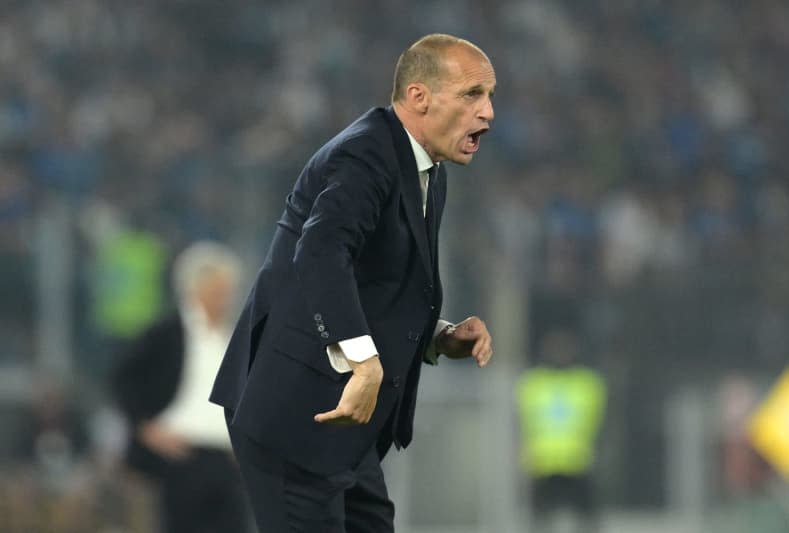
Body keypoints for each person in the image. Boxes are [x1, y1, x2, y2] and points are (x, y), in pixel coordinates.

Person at [210, 33, 495, 532]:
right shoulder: (367, 154)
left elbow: (376, 284)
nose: (488, 112)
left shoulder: (425, 168)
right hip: (296, 414)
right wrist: (364, 363)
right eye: (472, 94)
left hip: (342, 427)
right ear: (419, 97)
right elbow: (320, 252)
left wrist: (438, 337)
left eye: (490, 96)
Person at [112, 241, 251, 533]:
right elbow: (122, 378)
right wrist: (145, 427)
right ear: (194, 288)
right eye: (217, 289)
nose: (225, 297)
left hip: (228, 461)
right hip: (179, 457)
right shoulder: (166, 333)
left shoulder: (236, 336)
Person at [515, 328, 607, 533]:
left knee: (587, 520)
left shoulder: (586, 382)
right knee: (540, 521)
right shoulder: (534, 383)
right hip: (543, 463)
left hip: (576, 461)